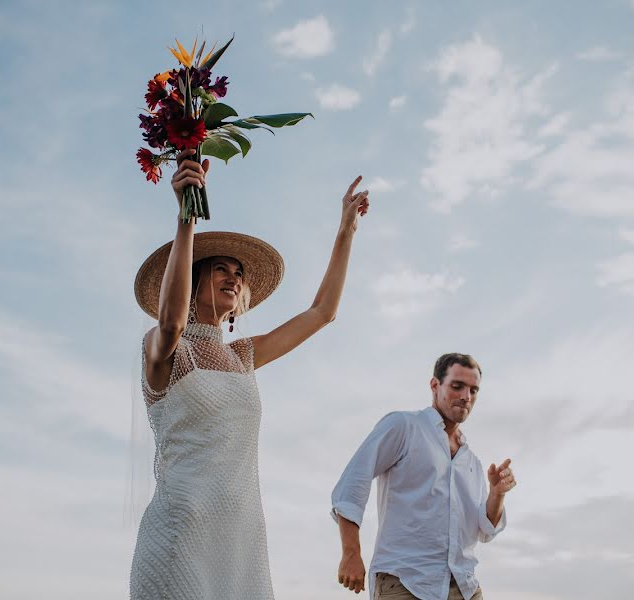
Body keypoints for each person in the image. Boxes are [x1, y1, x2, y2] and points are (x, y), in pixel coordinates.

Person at [130, 150, 370, 599]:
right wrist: (187, 216)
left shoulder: (243, 356)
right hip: (180, 535)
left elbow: (322, 312)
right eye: (220, 267)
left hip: (241, 544)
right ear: (195, 276)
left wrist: (346, 231)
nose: (234, 278)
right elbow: (171, 322)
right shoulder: (166, 350)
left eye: (239, 273)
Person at [331, 353, 516, 600]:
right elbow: (353, 482)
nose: (466, 397)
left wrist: (497, 494)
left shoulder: (471, 461)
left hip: (465, 587)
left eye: (473, 390)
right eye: (457, 386)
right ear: (435, 385)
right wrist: (351, 553)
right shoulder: (403, 426)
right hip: (406, 583)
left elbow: (485, 529)